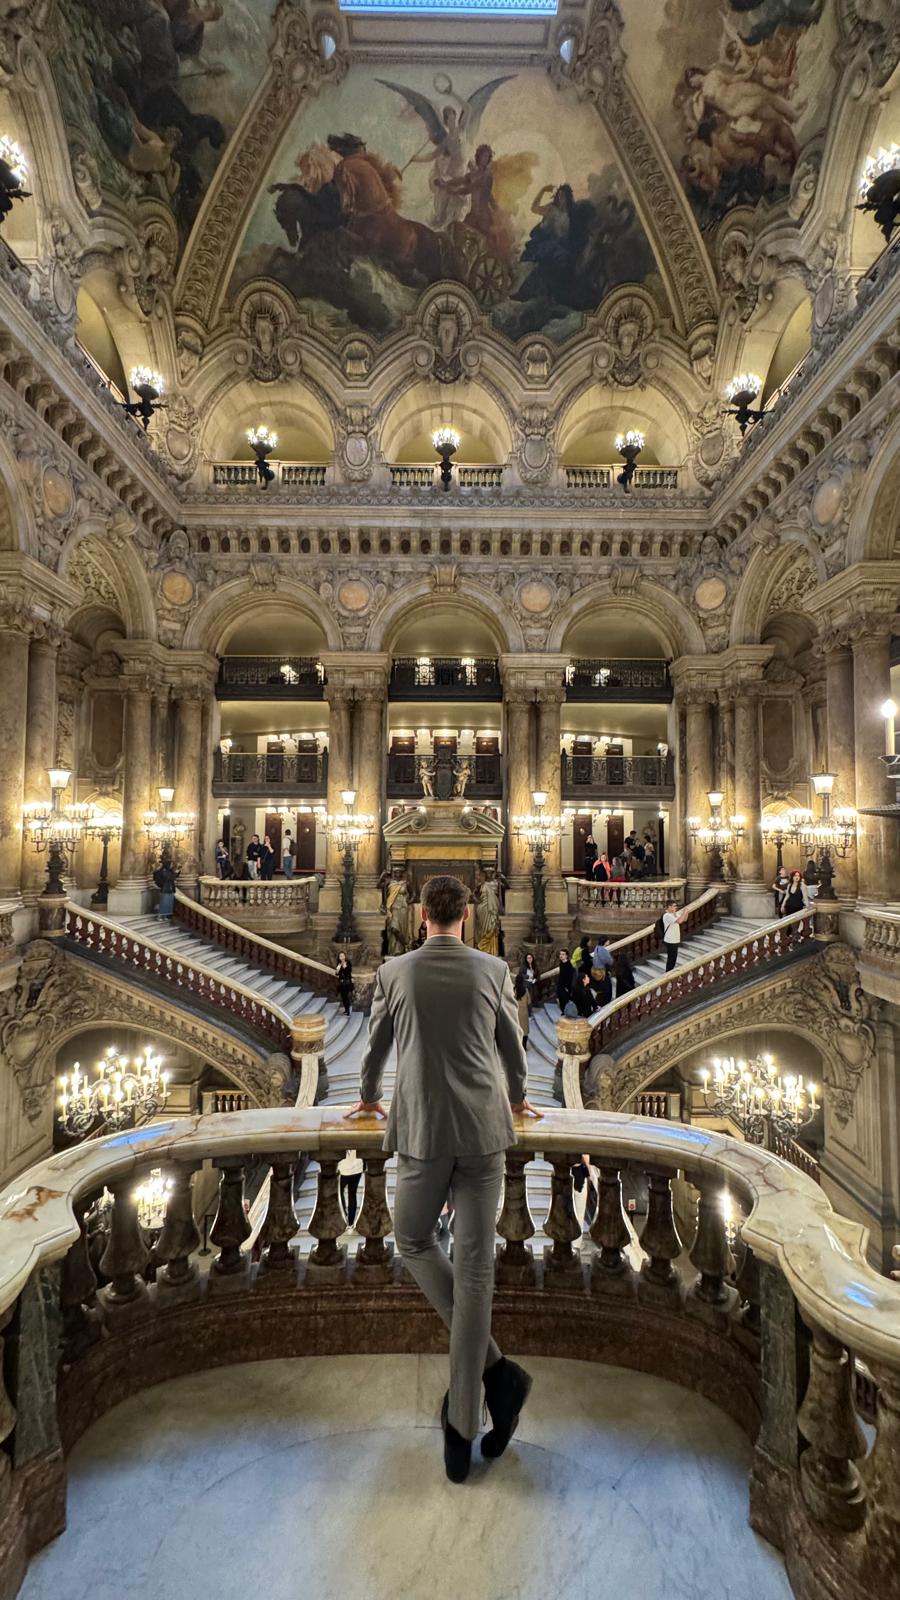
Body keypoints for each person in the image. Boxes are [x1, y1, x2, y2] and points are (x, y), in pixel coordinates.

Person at [350, 874, 541, 1483]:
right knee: (477, 1270)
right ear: (465, 914)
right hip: (485, 1132)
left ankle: (471, 1413)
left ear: (420, 913)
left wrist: (367, 1097)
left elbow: (375, 1047)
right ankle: (486, 1393)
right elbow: (513, 1047)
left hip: (425, 1130)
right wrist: (518, 1097)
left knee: (413, 1241)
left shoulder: (394, 973)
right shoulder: (492, 970)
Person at [338, 1148, 363, 1228]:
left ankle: (343, 1215)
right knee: (352, 1194)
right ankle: (350, 1222)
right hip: (357, 1168)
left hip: (343, 1169)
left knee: (339, 1192)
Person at [662, 899, 687, 972]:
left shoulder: (674, 914)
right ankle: (668, 974)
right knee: (672, 959)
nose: (676, 907)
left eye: (676, 906)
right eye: (674, 906)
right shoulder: (667, 915)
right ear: (669, 907)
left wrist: (686, 912)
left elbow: (684, 919)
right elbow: (679, 921)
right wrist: (683, 912)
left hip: (674, 939)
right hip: (670, 940)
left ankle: (669, 973)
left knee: (673, 958)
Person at [514, 972, 530, 1048]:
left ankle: (517, 1046)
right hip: (524, 1012)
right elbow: (529, 1002)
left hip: (516, 1011)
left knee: (517, 1028)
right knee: (525, 1030)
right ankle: (524, 1046)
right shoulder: (526, 990)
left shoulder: (514, 990)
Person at [335, 950, 353, 1016]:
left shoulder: (348, 962)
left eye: (343, 956)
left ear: (345, 956)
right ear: (339, 957)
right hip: (341, 983)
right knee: (343, 997)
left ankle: (348, 1011)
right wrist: (337, 969)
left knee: (346, 997)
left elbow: (349, 972)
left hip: (347, 982)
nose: (342, 957)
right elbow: (337, 974)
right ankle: (346, 1010)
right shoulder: (338, 963)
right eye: (340, 956)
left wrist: (345, 967)